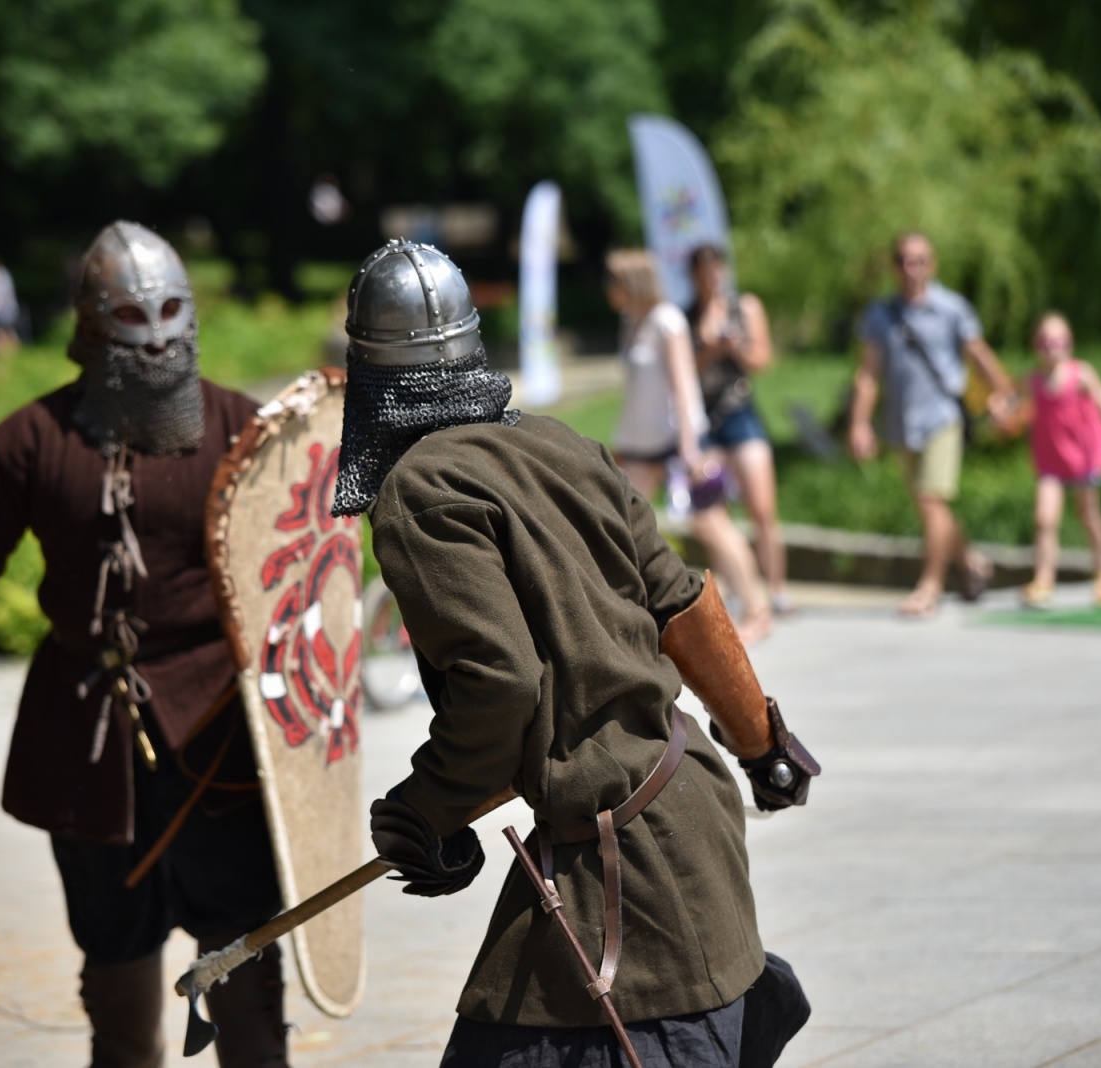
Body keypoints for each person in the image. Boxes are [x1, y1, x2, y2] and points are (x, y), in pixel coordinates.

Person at [335, 238, 818, 1068]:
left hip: (629, 884)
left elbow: (503, 681)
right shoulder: (564, 446)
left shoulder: (418, 490)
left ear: (370, 372)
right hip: (688, 814)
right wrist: (762, 741)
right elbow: (682, 604)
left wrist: (429, 808)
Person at [0, 222, 289, 1068]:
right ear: (93, 324)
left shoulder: (242, 425)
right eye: (135, 313)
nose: (159, 334)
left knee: (247, 968)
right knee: (117, 975)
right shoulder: (33, 440)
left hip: (220, 743)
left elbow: (306, 567)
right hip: (89, 743)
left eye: (171, 310)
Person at [606, 248, 773, 642]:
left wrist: (692, 449)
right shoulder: (632, 321)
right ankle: (627, 617)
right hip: (641, 444)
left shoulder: (668, 321)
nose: (608, 289)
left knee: (711, 523)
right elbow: (636, 392)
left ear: (632, 281)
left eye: (613, 280)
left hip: (679, 441)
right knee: (621, 524)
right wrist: (622, 443)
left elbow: (684, 387)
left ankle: (757, 608)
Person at [849, 232, 1014, 618]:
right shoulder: (880, 315)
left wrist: (1004, 395)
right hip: (900, 424)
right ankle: (972, 562)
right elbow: (869, 374)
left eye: (920, 260)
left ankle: (930, 586)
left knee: (931, 499)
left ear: (933, 265)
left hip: (942, 418)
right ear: (895, 266)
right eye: (905, 261)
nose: (913, 269)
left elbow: (979, 354)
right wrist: (859, 423)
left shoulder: (951, 308)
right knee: (931, 507)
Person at [689, 245, 789, 614]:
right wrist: (710, 348)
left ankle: (776, 588)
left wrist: (734, 347)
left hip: (740, 413)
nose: (713, 278)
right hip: (706, 420)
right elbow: (685, 370)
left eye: (718, 270)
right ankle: (734, 588)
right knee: (714, 512)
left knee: (762, 508)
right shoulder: (686, 314)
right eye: (705, 271)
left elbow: (762, 359)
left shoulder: (744, 307)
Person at [1017, 313, 1101, 607]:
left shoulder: (1082, 374)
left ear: (1069, 344)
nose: (1053, 348)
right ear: (1036, 346)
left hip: (1083, 459)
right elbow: (1013, 407)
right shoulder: (1033, 381)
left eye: (1060, 341)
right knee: (1044, 519)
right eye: (1046, 342)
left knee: (1089, 515)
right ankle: (1043, 579)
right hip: (1049, 461)